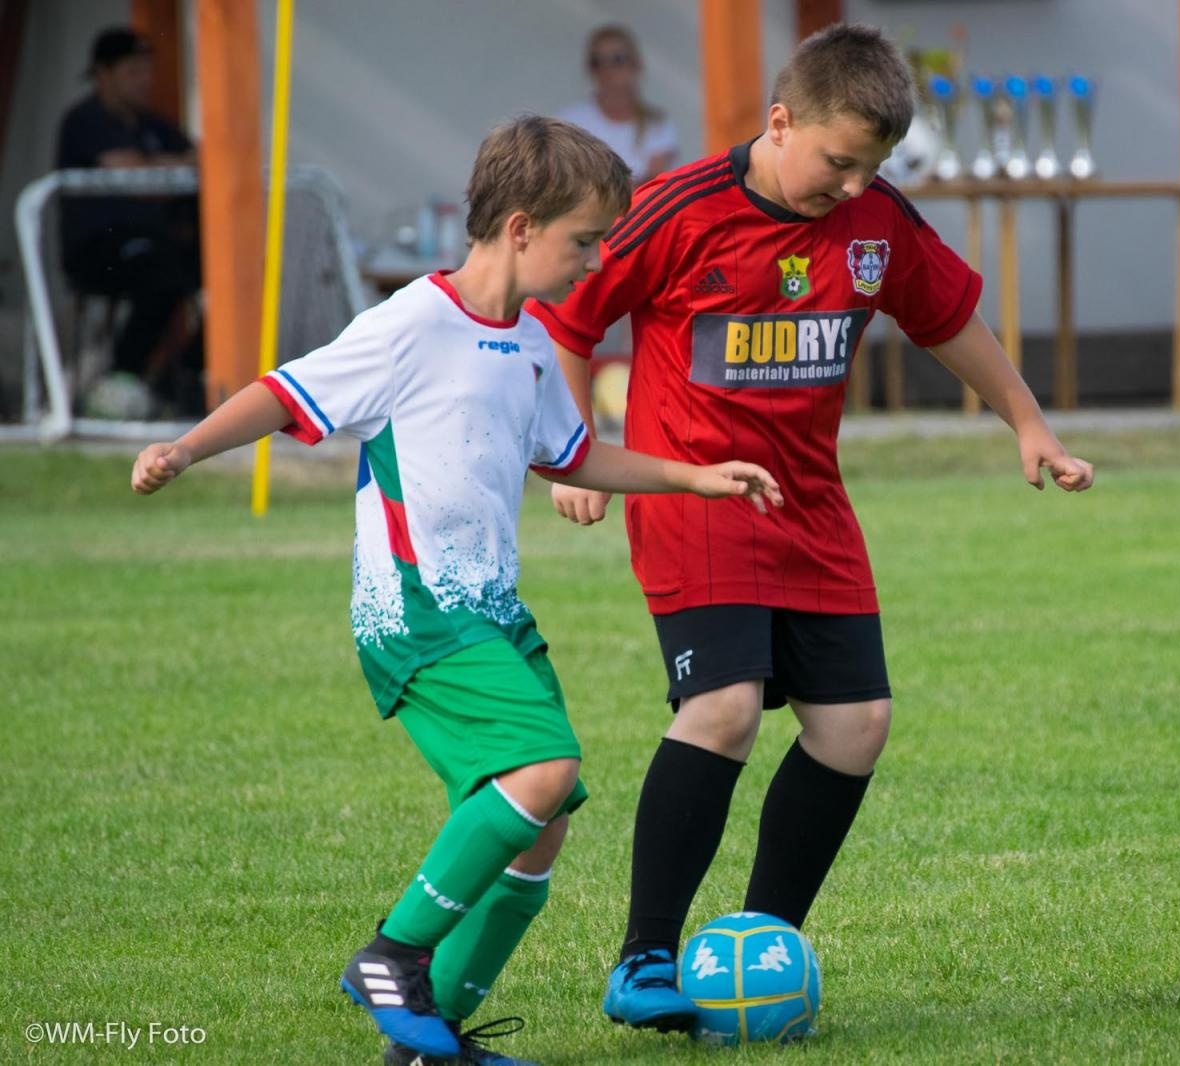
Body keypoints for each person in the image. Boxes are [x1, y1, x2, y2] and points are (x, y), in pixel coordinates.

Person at [130, 116, 783, 1066]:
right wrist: (186, 447)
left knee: (544, 829)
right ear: (520, 228)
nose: (596, 263)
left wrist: (693, 476)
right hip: (417, 610)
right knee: (542, 772)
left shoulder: (524, 343)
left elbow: (570, 454)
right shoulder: (412, 323)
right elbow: (287, 391)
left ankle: (429, 1043)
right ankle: (393, 955)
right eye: (584, 242)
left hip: (491, 614)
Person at [527, 23, 1095, 1034]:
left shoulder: (876, 219)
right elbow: (568, 320)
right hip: (697, 497)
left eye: (868, 168)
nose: (848, 186)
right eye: (835, 161)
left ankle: (758, 948)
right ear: (780, 122)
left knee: (855, 727)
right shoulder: (678, 210)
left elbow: (946, 318)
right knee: (726, 709)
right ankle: (645, 955)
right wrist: (576, 453)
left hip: (811, 507)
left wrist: (1029, 421)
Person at [56, 26, 204, 414]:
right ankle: (122, 377)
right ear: (102, 74)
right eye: (133, 71)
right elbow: (135, 177)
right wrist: (174, 168)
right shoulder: (86, 119)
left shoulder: (152, 125)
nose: (145, 81)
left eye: (147, 71)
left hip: (154, 244)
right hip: (99, 249)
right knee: (161, 272)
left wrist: (170, 166)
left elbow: (203, 157)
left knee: (228, 271)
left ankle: (187, 378)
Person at [557, 24, 678, 186]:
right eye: (597, 61)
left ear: (636, 64)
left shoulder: (657, 123)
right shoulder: (569, 121)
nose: (607, 69)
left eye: (617, 59)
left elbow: (656, 183)